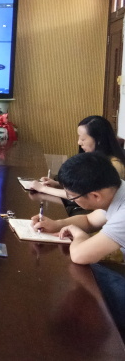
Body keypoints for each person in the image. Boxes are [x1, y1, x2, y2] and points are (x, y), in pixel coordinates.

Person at [32, 152, 125, 334]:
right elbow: (90, 220)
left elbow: (80, 255)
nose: (71, 200)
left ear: (95, 196)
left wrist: (79, 235)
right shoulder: (116, 191)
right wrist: (57, 224)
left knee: (81, 274)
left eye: (72, 197)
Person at [32, 116, 125, 204]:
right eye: (79, 137)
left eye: (83, 139)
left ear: (99, 139)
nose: (79, 142)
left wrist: (43, 189)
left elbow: (83, 196)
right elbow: (85, 187)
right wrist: (57, 184)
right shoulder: (94, 159)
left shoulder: (113, 166)